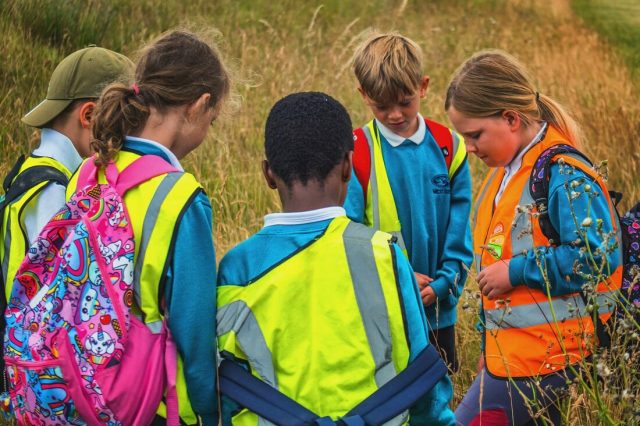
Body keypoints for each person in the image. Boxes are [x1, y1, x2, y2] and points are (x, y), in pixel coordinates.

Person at [216, 92, 455, 425]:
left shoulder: (236, 268)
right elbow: (422, 381)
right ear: (347, 166)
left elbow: (225, 392)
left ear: (268, 175)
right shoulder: (384, 254)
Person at [446, 50, 622, 425]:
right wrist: (488, 346)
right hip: (511, 359)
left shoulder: (564, 174)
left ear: (510, 118)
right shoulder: (505, 173)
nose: (470, 148)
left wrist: (517, 271)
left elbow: (596, 258)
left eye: (475, 135)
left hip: (552, 363)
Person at [65, 30, 230, 425]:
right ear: (199, 106)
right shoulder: (181, 197)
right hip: (150, 399)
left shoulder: (88, 171)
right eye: (213, 117)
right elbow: (193, 329)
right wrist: (210, 409)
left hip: (79, 381)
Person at [0, 46, 133, 400]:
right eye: (121, 126)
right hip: (43, 372)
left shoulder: (30, 171)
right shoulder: (55, 191)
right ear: (89, 115)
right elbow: (67, 294)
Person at [344, 32, 473, 372]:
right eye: (381, 106)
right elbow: (348, 232)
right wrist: (397, 274)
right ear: (363, 95)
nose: (395, 114)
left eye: (405, 102)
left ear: (423, 86)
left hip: (438, 309)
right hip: (382, 310)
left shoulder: (450, 146)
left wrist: (445, 283)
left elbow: (460, 230)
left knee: (439, 394)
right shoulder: (356, 150)